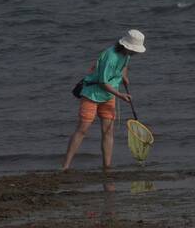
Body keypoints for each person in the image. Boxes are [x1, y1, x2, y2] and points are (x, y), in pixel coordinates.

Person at [62, 29, 146, 172]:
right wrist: (120, 95)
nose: (136, 53)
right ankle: (65, 166)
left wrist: (124, 75)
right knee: (82, 130)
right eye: (135, 50)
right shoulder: (110, 57)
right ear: (126, 46)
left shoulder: (126, 54)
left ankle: (107, 166)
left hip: (108, 96)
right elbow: (102, 82)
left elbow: (124, 65)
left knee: (108, 131)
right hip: (92, 94)